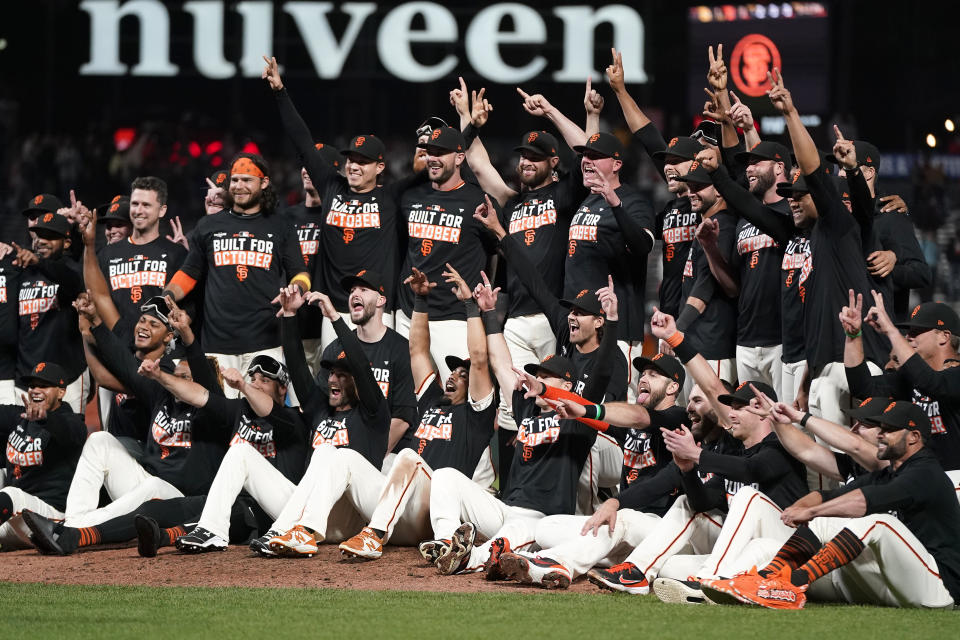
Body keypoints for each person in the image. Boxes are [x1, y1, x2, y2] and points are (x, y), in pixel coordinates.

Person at [584, 308, 806, 595]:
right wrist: (688, 471)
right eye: (732, 407)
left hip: (783, 544)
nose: (732, 414)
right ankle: (639, 572)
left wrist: (697, 456)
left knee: (748, 496)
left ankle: (710, 578)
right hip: (742, 549)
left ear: (763, 413)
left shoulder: (779, 447)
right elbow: (704, 502)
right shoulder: (737, 453)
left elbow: (753, 471)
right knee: (678, 537)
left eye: (739, 407)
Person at [421, 278, 619, 577]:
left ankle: (469, 559)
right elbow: (501, 365)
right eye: (536, 373)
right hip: (504, 508)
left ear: (567, 385)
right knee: (446, 477)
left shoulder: (578, 418)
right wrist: (488, 313)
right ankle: (449, 542)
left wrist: (613, 322)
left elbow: (601, 375)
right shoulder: (527, 408)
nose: (537, 380)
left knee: (513, 533)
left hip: (539, 519)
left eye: (546, 376)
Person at [705, 401, 960, 609]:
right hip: (897, 581)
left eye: (890, 430)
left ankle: (793, 584)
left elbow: (862, 503)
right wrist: (807, 507)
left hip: (938, 587)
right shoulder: (888, 473)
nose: (881, 434)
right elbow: (828, 497)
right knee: (828, 518)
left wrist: (812, 511)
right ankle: (767, 581)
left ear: (914, 437)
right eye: (881, 428)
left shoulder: (925, 472)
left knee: (878, 521)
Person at [451, 76, 589, 442]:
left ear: (553, 163)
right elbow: (479, 167)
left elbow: (587, 152)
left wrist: (551, 113)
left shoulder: (564, 196)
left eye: (535, 157)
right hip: (515, 317)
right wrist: (466, 117)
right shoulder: (512, 203)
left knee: (559, 403)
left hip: (554, 315)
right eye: (523, 156)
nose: (526, 162)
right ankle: (511, 484)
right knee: (513, 405)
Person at [263, 56, 426, 352]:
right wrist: (280, 92)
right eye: (351, 160)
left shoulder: (389, 197)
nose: (353, 166)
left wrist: (468, 130)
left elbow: (438, 169)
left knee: (377, 387)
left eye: (363, 162)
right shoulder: (331, 187)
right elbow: (302, 141)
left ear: (380, 168)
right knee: (335, 383)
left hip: (378, 308)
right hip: (334, 309)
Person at [768, 68, 887, 426]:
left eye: (804, 194)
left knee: (854, 460)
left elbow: (813, 168)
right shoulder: (816, 236)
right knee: (828, 465)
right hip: (824, 365)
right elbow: (819, 319)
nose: (795, 200)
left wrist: (790, 114)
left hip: (854, 362)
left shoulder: (837, 223)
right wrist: (808, 378)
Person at [162, 152, 311, 398]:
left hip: (265, 342)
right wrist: (167, 296)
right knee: (221, 420)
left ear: (263, 183)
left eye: (246, 180)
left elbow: (300, 272)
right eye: (234, 180)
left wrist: (297, 288)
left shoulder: (280, 225)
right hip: (217, 345)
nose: (238, 186)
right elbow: (189, 272)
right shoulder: (208, 226)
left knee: (263, 422)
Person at [604, 48, 700, 322]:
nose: (668, 167)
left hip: (705, 323)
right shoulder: (670, 211)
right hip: (668, 317)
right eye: (666, 162)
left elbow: (650, 136)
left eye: (677, 161)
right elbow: (648, 140)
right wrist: (620, 91)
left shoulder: (714, 202)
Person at [393, 124, 495, 382]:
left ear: (460, 157)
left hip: (454, 317)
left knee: (460, 394)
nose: (433, 158)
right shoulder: (410, 197)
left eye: (442, 152)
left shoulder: (478, 202)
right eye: (430, 152)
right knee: (408, 396)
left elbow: (497, 252)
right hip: (410, 314)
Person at [844, 292, 960, 471]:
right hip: (923, 477)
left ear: (944, 336)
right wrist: (853, 335)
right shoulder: (909, 379)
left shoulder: (955, 374)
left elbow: (931, 383)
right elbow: (863, 387)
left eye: (917, 332)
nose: (908, 337)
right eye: (908, 332)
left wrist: (891, 330)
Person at [314, 270, 417, 469]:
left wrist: (369, 457)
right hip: (339, 447)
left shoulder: (400, 349)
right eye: (352, 290)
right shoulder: (336, 349)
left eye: (363, 289)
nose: (354, 294)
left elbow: (403, 417)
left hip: (385, 453)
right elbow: (320, 406)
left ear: (380, 300)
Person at [0, 362, 86, 550]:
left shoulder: (72, 421)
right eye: (32, 386)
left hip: (49, 519)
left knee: (11, 495)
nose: (36, 391)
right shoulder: (19, 416)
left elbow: (72, 433)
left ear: (61, 392)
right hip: (14, 518)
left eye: (44, 386)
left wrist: (46, 418)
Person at [11, 212, 86, 412]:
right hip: (27, 378)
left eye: (50, 236)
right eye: (39, 235)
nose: (42, 241)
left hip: (66, 380)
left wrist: (39, 262)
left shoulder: (73, 268)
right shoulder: (21, 271)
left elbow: (71, 281)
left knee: (69, 439)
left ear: (67, 243)